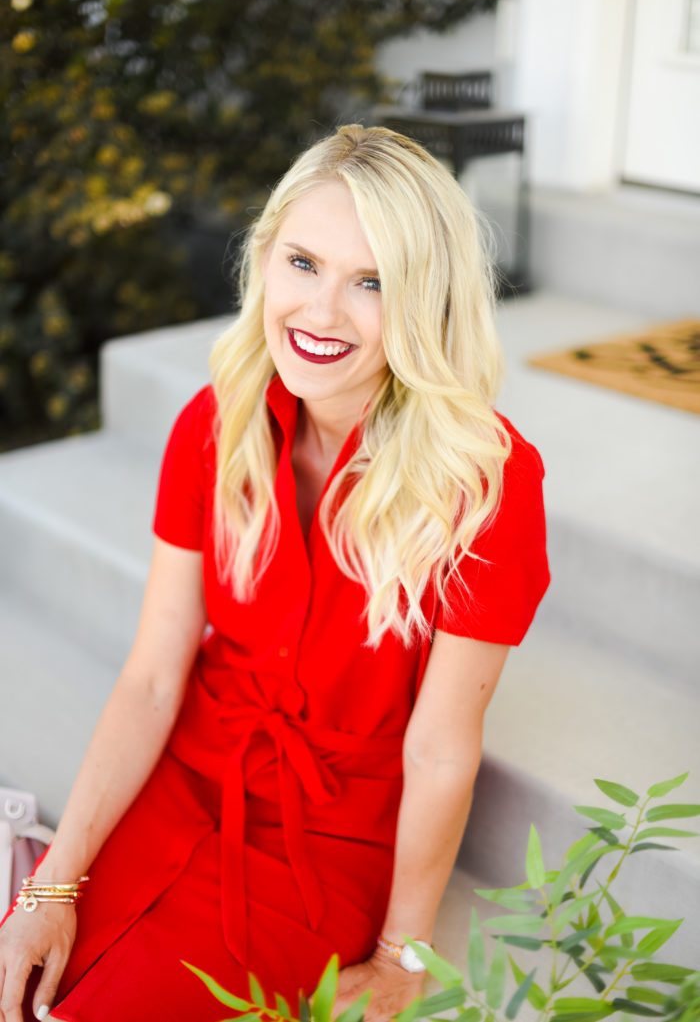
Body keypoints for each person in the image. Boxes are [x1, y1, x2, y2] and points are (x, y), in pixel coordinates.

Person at [0, 124, 549, 1022]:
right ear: (265, 261)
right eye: (303, 262)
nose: (322, 311)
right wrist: (53, 889)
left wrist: (404, 949)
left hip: (326, 836)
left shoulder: (486, 482)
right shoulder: (214, 425)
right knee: (18, 983)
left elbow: (442, 745)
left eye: (371, 282)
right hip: (186, 773)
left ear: (425, 301)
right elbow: (150, 675)